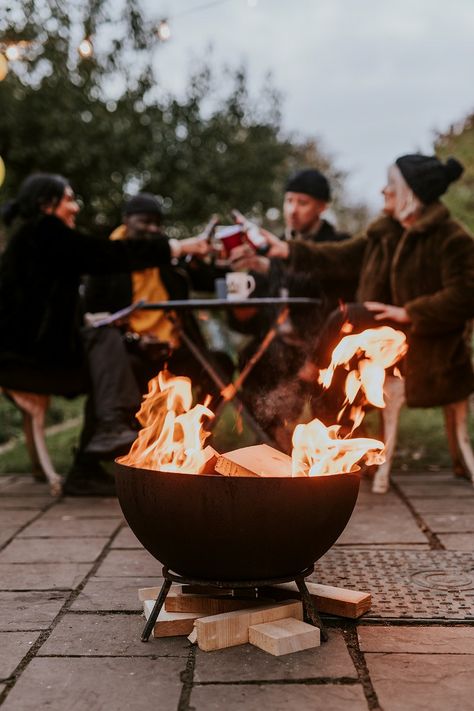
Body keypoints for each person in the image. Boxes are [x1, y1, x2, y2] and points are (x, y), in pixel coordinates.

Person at [0, 173, 209, 495]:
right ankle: (110, 430)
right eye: (69, 199)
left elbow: (45, 303)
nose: (75, 207)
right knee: (110, 347)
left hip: (31, 353)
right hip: (27, 361)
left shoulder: (32, 238)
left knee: (112, 350)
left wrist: (90, 319)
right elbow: (106, 255)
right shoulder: (44, 232)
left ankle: (88, 465)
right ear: (46, 205)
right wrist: (178, 246)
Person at [263, 154, 474, 428]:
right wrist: (289, 250)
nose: (383, 191)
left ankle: (310, 375)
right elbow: (340, 256)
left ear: (411, 194)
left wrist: (409, 312)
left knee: (348, 317)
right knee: (339, 359)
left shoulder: (451, 237)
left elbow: (467, 294)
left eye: (391, 186)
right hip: (380, 336)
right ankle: (331, 448)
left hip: (428, 343)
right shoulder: (384, 233)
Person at [226, 168, 354, 447]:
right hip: (279, 345)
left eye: (303, 202)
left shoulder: (337, 245)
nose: (293, 210)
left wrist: (272, 267)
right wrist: (238, 296)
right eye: (289, 201)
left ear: (322, 207)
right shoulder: (271, 248)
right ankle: (273, 439)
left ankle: (337, 443)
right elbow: (247, 321)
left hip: (325, 344)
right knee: (250, 356)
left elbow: (319, 287)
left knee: (331, 373)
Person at [82, 191, 233, 397]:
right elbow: (93, 321)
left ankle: (198, 427)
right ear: (126, 221)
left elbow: (209, 282)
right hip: (132, 354)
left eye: (157, 223)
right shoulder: (105, 263)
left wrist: (220, 260)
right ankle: (129, 428)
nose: (153, 229)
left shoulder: (167, 256)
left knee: (220, 363)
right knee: (124, 369)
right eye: (145, 222)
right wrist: (135, 342)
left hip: (176, 349)